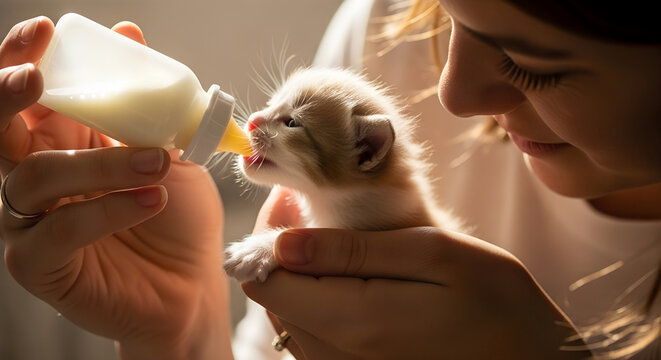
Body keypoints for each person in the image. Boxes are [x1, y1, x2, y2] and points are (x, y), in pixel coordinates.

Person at [0, 1, 659, 359]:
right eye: (452, 16)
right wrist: (176, 331)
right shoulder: (395, 27)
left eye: (532, 66)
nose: (450, 92)